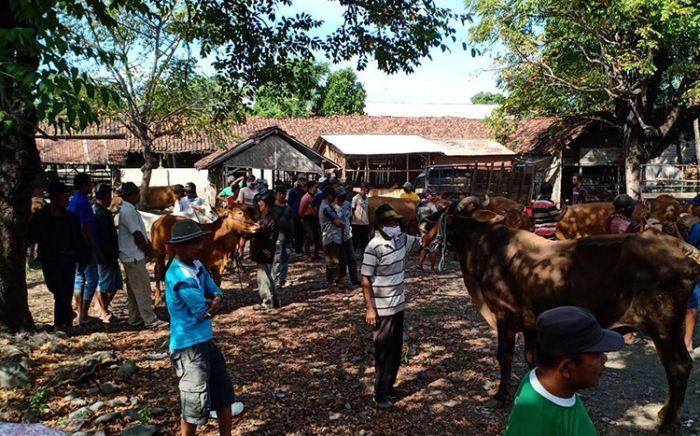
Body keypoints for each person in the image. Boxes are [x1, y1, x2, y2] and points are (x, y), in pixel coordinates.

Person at [504, 306, 623, 436]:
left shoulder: (539, 379)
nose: (605, 359)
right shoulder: (537, 423)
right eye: (597, 354)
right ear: (566, 368)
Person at [164, 219, 235, 436]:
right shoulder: (178, 275)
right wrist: (214, 301)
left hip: (205, 341)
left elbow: (214, 290)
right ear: (178, 247)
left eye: (199, 241)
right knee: (193, 404)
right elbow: (202, 310)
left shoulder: (196, 265)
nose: (200, 246)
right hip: (189, 348)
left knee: (224, 396)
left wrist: (215, 298)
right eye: (193, 243)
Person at [361, 203, 422, 408]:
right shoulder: (374, 246)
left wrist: (440, 224)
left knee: (395, 349)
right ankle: (380, 393)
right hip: (382, 308)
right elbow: (365, 279)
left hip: (398, 305)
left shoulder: (401, 239)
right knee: (383, 350)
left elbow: (425, 243)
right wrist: (370, 308)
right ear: (380, 226)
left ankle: (390, 385)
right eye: (390, 222)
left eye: (396, 221)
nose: (395, 225)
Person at [29, 181, 86, 332]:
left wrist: (81, 257)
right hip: (50, 260)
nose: (68, 200)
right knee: (57, 289)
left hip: (68, 260)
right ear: (55, 197)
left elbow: (78, 239)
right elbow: (32, 236)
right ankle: (64, 319)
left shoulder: (70, 218)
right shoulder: (41, 217)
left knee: (66, 292)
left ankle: (63, 324)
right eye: (65, 197)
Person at [117, 182, 168, 329]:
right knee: (143, 290)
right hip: (133, 255)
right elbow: (137, 234)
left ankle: (135, 318)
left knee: (134, 290)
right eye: (136, 193)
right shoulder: (128, 211)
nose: (139, 195)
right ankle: (150, 320)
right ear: (129, 196)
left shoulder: (128, 210)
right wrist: (148, 250)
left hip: (130, 255)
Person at [67, 173, 100, 324]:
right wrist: (92, 247)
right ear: (83, 185)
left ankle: (80, 311)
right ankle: (83, 313)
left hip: (73, 245)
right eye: (89, 183)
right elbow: (84, 227)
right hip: (84, 246)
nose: (92, 186)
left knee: (78, 279)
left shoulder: (73, 201)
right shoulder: (84, 203)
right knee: (93, 279)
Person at [92, 184, 123, 323]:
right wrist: (103, 256)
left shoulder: (101, 211)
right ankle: (104, 312)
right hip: (105, 255)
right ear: (106, 197)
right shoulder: (100, 213)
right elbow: (102, 238)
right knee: (103, 285)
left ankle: (101, 307)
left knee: (116, 284)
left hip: (110, 254)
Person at [250, 193, 280, 309]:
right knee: (268, 276)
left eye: (261, 202)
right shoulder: (266, 217)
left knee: (263, 278)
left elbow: (257, 232)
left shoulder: (269, 219)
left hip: (265, 251)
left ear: (266, 205)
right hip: (264, 251)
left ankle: (267, 302)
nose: (259, 204)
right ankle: (275, 300)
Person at [319, 187, 346, 290]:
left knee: (341, 259)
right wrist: (342, 224)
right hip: (331, 237)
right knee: (333, 262)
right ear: (329, 196)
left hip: (336, 237)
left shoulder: (327, 206)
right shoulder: (326, 208)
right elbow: (337, 222)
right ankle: (330, 284)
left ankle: (339, 281)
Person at [684, 194, 700, 352]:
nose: (692, 208)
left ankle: (687, 342)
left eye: (695, 205)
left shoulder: (697, 228)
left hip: (697, 269)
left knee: (691, 306)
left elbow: (690, 249)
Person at [336, 187, 360, 286]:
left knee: (352, 258)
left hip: (347, 234)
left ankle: (354, 278)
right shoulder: (331, 207)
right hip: (336, 235)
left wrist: (348, 230)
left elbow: (348, 218)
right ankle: (340, 279)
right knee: (340, 259)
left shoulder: (347, 205)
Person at [272, 186, 293, 288]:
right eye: (280, 193)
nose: (282, 196)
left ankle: (282, 279)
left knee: (285, 258)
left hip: (287, 235)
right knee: (277, 259)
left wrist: (292, 235)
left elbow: (290, 221)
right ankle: (275, 280)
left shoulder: (288, 208)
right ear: (276, 194)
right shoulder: (272, 208)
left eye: (284, 193)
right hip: (277, 236)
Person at [416, 189, 439, 272]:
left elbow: (417, 215)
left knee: (424, 246)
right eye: (431, 195)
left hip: (422, 227)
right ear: (427, 195)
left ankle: (420, 265)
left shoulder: (419, 204)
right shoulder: (431, 205)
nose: (432, 196)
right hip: (430, 228)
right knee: (433, 247)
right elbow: (436, 215)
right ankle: (432, 268)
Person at [299, 181, 321, 261]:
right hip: (307, 219)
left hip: (314, 218)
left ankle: (316, 254)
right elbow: (301, 210)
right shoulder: (306, 197)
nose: (316, 188)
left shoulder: (314, 196)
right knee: (309, 237)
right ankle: (307, 254)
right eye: (315, 187)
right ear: (311, 187)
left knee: (316, 237)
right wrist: (302, 218)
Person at [288, 177, 307, 254]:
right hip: (295, 214)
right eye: (301, 181)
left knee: (302, 232)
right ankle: (297, 248)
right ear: (298, 182)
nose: (302, 183)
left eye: (303, 181)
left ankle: (300, 247)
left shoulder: (305, 191)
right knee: (296, 232)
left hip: (303, 214)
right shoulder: (293, 191)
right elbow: (290, 202)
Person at [351, 183, 370, 255]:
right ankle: (352, 257)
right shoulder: (355, 198)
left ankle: (364, 257)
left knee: (364, 242)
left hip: (365, 223)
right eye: (367, 190)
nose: (368, 191)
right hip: (356, 223)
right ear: (363, 189)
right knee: (355, 241)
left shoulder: (367, 199)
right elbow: (352, 210)